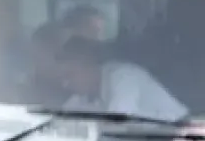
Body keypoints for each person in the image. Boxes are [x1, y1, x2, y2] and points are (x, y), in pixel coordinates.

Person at [56, 36, 188, 123]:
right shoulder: (82, 97)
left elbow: (118, 123)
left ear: (90, 65)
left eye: (70, 75)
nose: (65, 84)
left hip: (180, 138)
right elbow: (61, 121)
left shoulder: (123, 77)